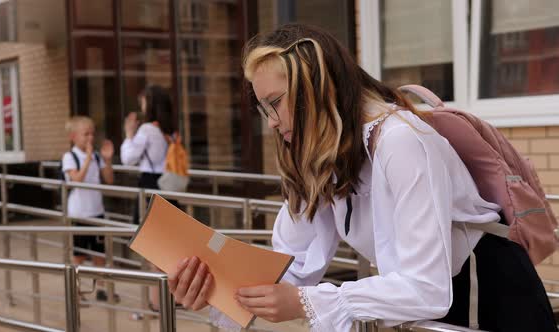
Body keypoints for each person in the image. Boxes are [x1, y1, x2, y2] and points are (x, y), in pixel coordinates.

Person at [165, 24, 557, 332]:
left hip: (492, 302)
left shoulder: (402, 141)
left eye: (275, 103)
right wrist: (212, 284)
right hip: (443, 309)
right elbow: (291, 267)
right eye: (261, 107)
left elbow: (426, 287)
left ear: (319, 88)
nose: (270, 122)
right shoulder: (324, 154)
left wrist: (305, 301)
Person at [121, 85, 176, 318]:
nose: (141, 106)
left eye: (143, 101)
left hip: (150, 188)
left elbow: (127, 159)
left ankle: (156, 305)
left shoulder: (146, 130)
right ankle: (163, 301)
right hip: (167, 188)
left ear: (150, 103)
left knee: (153, 250)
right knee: (164, 249)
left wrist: (128, 134)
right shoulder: (168, 130)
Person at [62, 115, 117, 303]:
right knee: (79, 254)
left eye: (92, 134)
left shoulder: (95, 155)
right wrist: (86, 159)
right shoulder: (70, 157)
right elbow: (76, 179)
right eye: (86, 134)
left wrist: (107, 160)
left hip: (96, 210)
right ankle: (75, 290)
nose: (90, 138)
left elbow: (109, 179)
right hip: (79, 213)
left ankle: (100, 288)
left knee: (99, 253)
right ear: (73, 137)